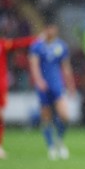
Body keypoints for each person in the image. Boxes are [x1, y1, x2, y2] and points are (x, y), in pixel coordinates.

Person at [0, 19, 35, 159]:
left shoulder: (2, 44)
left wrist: (34, 39)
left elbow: (18, 43)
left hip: (0, 86)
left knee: (0, 116)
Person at [29, 21, 76, 160]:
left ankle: (59, 141)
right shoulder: (37, 46)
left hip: (57, 86)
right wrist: (39, 81)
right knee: (46, 118)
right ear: (45, 29)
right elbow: (34, 65)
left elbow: (66, 67)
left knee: (65, 116)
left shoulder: (61, 46)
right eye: (49, 27)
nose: (51, 30)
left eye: (53, 27)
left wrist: (71, 85)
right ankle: (51, 147)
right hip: (43, 87)